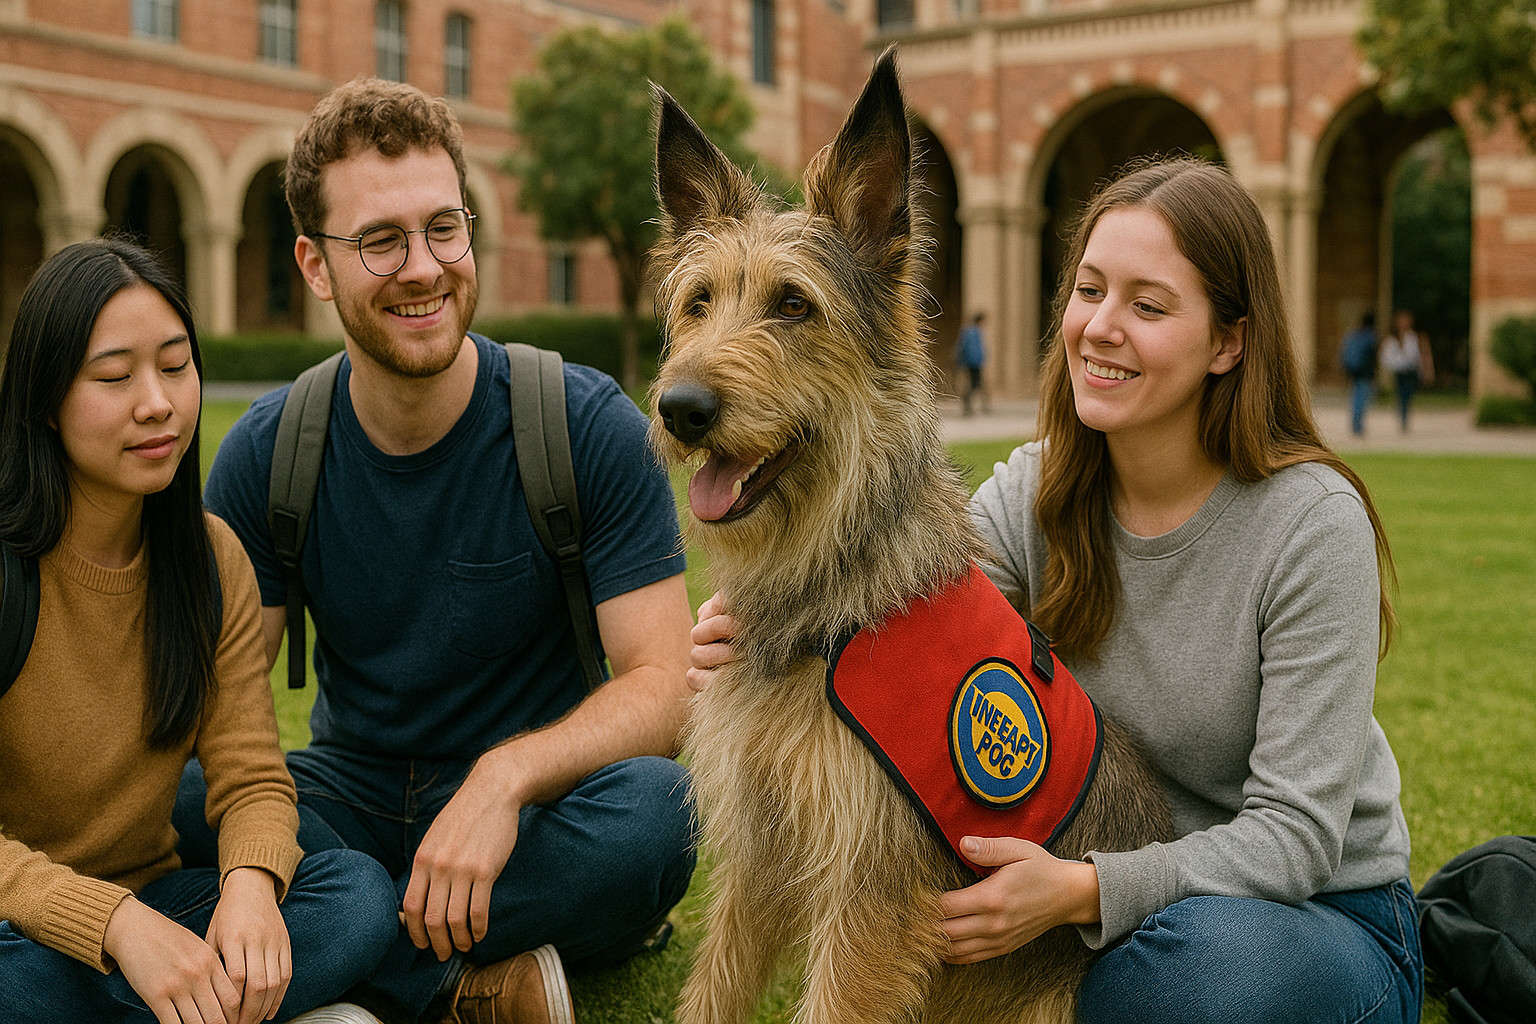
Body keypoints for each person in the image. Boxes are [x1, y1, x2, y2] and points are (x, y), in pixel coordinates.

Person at [694, 156, 1422, 1024]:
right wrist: (767, 628)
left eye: (1148, 306)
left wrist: (1082, 891)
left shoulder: (1311, 525)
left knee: (1182, 984)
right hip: (1111, 902)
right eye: (1088, 291)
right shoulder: (1035, 491)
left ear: (1229, 340)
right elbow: (909, 635)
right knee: (1117, 981)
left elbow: (1298, 840)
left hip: (1305, 919)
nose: (1101, 328)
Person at [174, 79, 697, 1024]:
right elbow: (217, 698)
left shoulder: (580, 425)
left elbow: (663, 687)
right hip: (350, 797)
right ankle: (461, 985)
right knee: (177, 796)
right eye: (380, 240)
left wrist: (504, 780)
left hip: (539, 814)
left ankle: (349, 940)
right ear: (316, 263)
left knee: (660, 812)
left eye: (444, 228)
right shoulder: (268, 450)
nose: (423, 266)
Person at [0, 239, 398, 1024]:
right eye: (114, 377)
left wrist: (249, 887)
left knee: (355, 899)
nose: (158, 403)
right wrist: (113, 926)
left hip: (160, 897)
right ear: (46, 400)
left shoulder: (212, 558)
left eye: (176, 366)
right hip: (22, 923)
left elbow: (250, 775)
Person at [1380, 310, 1434, 431]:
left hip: (1410, 371)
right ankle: (1402, 417)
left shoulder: (1413, 337)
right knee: (1401, 394)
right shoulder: (1392, 339)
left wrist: (1426, 370)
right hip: (1400, 371)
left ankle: (1405, 416)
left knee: (1408, 394)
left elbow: (1420, 355)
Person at [1339, 310, 1377, 436]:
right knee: (1362, 397)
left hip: (1353, 369)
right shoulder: (1370, 336)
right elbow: (1372, 356)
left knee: (1355, 396)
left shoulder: (1354, 333)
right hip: (1365, 371)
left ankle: (1355, 424)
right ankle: (1358, 425)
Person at [956, 311, 989, 416]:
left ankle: (975, 406)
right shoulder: (972, 332)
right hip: (973, 362)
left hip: (973, 362)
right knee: (974, 384)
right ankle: (968, 406)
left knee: (976, 384)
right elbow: (968, 349)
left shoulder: (972, 331)